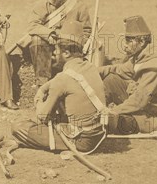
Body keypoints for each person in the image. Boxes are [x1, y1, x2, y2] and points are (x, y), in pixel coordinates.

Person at [11, 20, 106, 153]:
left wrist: (38, 98)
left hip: (81, 141)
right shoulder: (90, 67)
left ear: (66, 53)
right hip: (98, 134)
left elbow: (41, 116)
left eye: (56, 49)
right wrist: (44, 87)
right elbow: (68, 80)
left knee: (18, 127)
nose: (53, 53)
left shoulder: (62, 80)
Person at [99, 16, 157, 134]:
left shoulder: (155, 65)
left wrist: (113, 111)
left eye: (129, 40)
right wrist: (90, 71)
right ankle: (95, 113)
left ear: (141, 42)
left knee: (116, 122)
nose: (125, 45)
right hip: (147, 106)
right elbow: (117, 69)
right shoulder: (141, 56)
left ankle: (100, 119)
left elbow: (138, 101)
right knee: (111, 79)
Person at [17, 0, 91, 88]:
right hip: (48, 46)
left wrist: (71, 41)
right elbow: (32, 25)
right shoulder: (44, 4)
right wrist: (50, 34)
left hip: (71, 47)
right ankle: (42, 83)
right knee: (37, 40)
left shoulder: (79, 7)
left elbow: (86, 31)